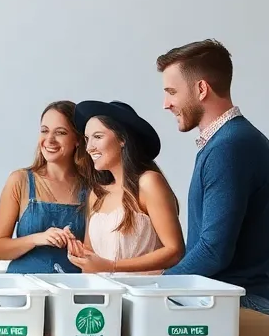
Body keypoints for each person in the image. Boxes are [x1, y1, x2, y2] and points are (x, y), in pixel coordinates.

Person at [157, 38, 269, 315]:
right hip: (243, 303)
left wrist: (156, 288)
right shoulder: (248, 141)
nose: (166, 104)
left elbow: (212, 251)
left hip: (231, 307)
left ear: (201, 89)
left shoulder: (228, 148)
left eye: (172, 92)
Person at [66, 101, 185, 273]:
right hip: (104, 296)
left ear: (122, 139)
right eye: (87, 139)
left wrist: (112, 267)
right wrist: (78, 252)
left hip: (143, 295)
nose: (90, 147)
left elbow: (174, 251)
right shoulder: (97, 194)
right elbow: (91, 257)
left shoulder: (149, 183)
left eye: (98, 137)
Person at [0, 101, 94, 273]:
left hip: (71, 291)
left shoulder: (91, 189)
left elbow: (93, 253)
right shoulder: (20, 180)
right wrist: (38, 238)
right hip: (24, 292)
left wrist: (75, 246)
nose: (50, 140)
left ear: (77, 139)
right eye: (44, 131)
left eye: (60, 132)